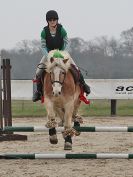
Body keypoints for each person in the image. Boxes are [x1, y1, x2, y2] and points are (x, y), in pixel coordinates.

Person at [32, 10, 90, 102]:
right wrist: (48, 56)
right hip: (49, 54)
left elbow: (67, 43)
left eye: (54, 19)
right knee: (38, 72)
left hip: (62, 53)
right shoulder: (44, 32)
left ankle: (84, 85)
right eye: (50, 20)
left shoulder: (62, 30)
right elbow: (43, 47)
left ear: (57, 20)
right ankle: (38, 92)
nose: (52, 21)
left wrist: (63, 53)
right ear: (47, 21)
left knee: (76, 68)